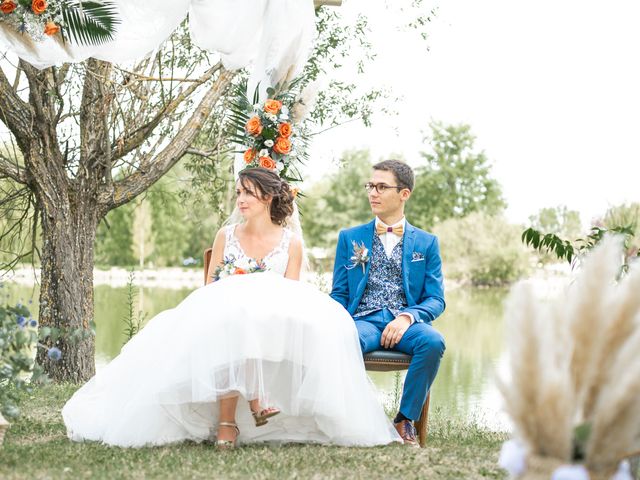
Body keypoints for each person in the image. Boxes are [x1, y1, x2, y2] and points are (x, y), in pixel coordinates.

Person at [62, 167, 400, 448]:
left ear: (268, 197)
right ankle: (249, 406)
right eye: (238, 193)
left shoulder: (291, 241)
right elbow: (212, 287)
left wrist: (256, 289)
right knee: (234, 319)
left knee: (252, 318)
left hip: (271, 321)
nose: (240, 200)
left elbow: (291, 293)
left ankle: (233, 421)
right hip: (224, 316)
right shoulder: (226, 234)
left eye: (248, 193)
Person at [330, 159, 446, 447]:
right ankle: (350, 420)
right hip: (363, 320)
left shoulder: (427, 243)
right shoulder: (350, 238)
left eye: (382, 187)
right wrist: (335, 322)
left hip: (405, 323)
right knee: (343, 340)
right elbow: (340, 294)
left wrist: (407, 317)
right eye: (371, 186)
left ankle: (404, 419)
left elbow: (436, 299)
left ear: (404, 194)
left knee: (433, 342)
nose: (373, 193)